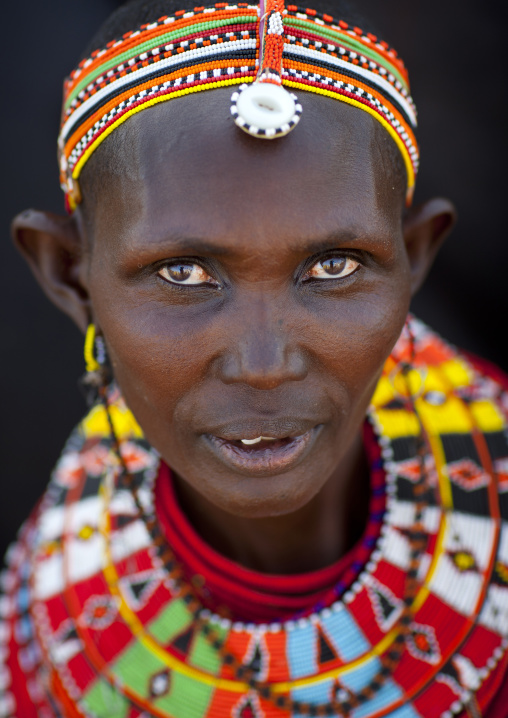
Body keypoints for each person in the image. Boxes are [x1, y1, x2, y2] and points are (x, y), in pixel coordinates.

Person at [1, 0, 507, 716]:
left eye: (334, 267)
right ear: (69, 273)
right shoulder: (49, 610)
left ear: (414, 258)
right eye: (183, 274)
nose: (264, 364)